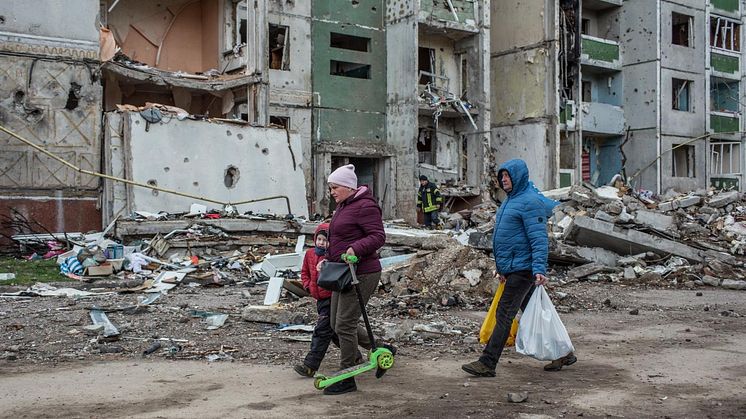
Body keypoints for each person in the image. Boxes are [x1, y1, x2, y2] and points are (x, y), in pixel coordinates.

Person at [462, 159, 576, 377]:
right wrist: (502, 268)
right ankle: (564, 352)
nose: (503, 180)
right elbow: (507, 238)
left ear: (518, 177)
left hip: (523, 269)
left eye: (507, 176)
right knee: (539, 311)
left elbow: (538, 239)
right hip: (513, 267)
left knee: (504, 312)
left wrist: (539, 268)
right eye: (502, 176)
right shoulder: (510, 201)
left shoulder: (529, 201)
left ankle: (487, 362)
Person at [323, 164, 389, 395]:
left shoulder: (365, 206)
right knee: (335, 324)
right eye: (330, 187)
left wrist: (355, 249)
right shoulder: (344, 205)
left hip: (361, 272)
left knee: (344, 324)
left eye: (335, 187)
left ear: (349, 187)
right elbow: (341, 235)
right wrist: (326, 256)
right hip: (341, 272)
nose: (332, 191)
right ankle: (379, 349)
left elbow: (378, 236)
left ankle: (347, 375)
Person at [293, 223, 338, 378]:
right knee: (336, 332)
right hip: (319, 298)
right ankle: (358, 355)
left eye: (324, 240)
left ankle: (310, 365)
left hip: (331, 298)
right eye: (319, 239)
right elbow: (304, 272)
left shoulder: (332, 257)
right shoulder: (310, 254)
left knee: (322, 331)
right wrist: (307, 286)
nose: (321, 243)